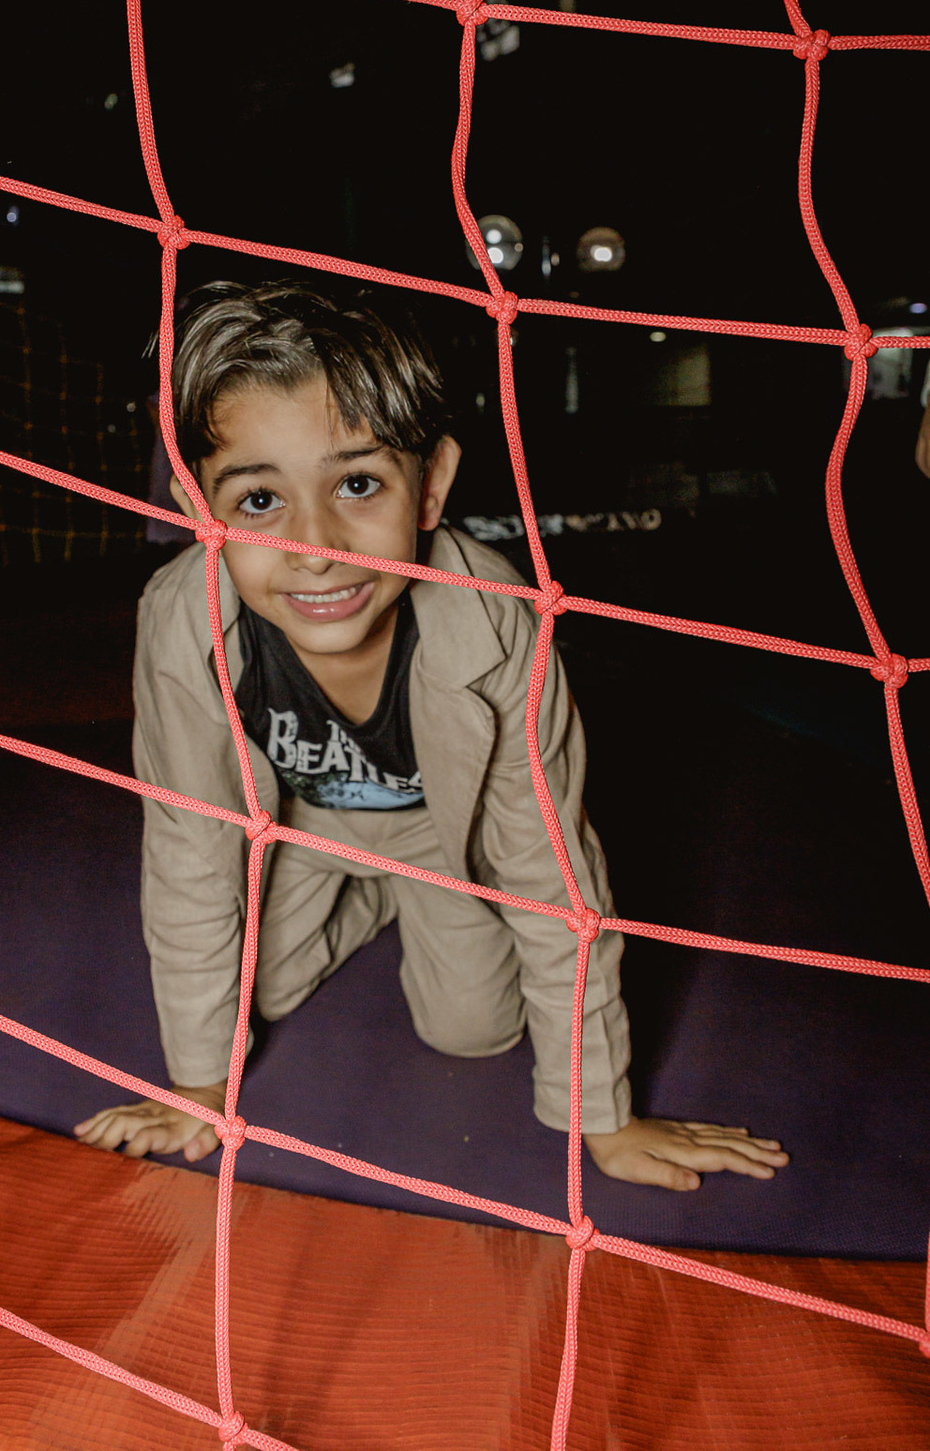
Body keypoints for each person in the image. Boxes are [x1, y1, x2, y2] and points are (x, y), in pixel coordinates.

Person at [76, 283, 788, 1191]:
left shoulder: (497, 625)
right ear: (195, 508)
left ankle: (405, 892)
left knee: (472, 1030)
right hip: (301, 828)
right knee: (247, 996)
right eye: (257, 499)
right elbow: (190, 850)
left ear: (432, 485)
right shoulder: (182, 620)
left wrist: (602, 1121)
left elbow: (552, 872)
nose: (315, 545)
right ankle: (367, 899)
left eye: (358, 484)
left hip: (442, 841)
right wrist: (196, 1088)